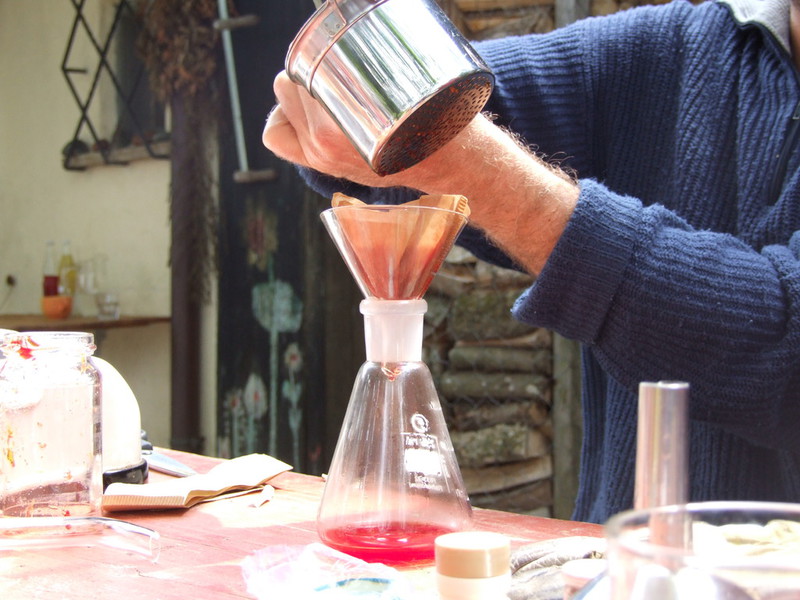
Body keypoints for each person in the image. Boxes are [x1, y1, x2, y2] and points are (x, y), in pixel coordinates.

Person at [262, 0, 800, 524]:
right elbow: (441, 97)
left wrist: (478, 173)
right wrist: (357, 88)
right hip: (625, 568)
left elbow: (783, 347)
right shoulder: (687, 46)